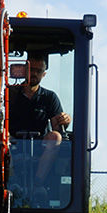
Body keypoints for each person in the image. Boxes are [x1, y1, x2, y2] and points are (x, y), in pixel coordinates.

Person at [8, 53, 70, 181]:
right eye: (31, 70)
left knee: (55, 137)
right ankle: (10, 181)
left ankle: (38, 182)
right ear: (24, 70)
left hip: (40, 146)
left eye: (38, 71)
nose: (34, 74)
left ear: (44, 74)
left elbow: (57, 128)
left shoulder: (49, 97)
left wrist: (65, 121)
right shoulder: (10, 94)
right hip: (12, 143)